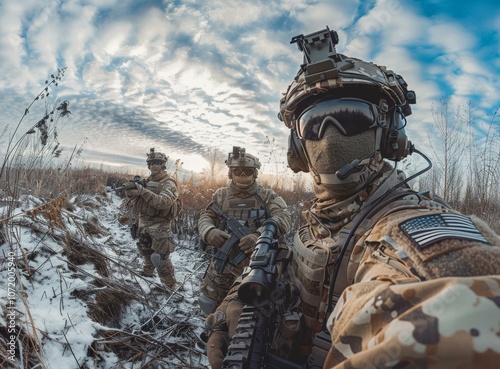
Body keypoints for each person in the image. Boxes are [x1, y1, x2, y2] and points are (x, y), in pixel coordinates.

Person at [204, 27, 500, 369]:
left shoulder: (411, 237)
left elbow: (461, 309)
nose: (329, 139)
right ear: (298, 149)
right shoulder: (319, 219)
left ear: (389, 133)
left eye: (352, 117)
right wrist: (236, 305)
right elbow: (281, 264)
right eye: (312, 125)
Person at [197, 146, 292, 315]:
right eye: (237, 171)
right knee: (208, 303)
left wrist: (259, 236)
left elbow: (284, 217)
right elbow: (206, 216)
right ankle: (214, 334)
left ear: (254, 173)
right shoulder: (221, 196)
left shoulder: (267, 196)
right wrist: (209, 231)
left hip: (257, 264)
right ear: (230, 173)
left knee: (253, 311)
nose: (242, 175)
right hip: (224, 261)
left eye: (247, 171)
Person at [124, 148, 181, 289]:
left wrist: (143, 191)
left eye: (157, 162)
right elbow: (135, 203)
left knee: (160, 259)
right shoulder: (147, 181)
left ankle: (171, 287)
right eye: (151, 163)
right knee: (145, 251)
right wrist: (132, 193)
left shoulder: (169, 183)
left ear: (163, 164)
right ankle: (147, 273)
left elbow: (164, 202)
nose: (154, 165)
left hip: (160, 227)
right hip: (144, 224)